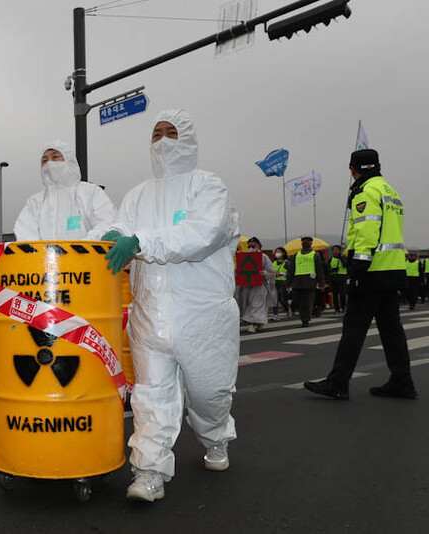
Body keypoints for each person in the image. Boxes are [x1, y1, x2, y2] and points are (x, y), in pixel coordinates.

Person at [101, 110, 240, 502]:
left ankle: (215, 437)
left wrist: (140, 242)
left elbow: (202, 233)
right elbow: (116, 232)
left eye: (171, 133)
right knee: (150, 399)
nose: (162, 141)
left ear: (189, 140)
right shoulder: (136, 195)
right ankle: (148, 472)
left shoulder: (209, 187)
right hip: (149, 317)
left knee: (209, 396)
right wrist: (102, 238)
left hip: (204, 319)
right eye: (156, 134)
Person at [304, 148, 417, 400]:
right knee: (391, 329)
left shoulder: (365, 191)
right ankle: (402, 381)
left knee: (353, 328)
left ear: (352, 170)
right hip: (392, 269)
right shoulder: (389, 190)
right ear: (378, 165)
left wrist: (357, 269)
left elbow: (366, 233)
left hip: (371, 271)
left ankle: (337, 383)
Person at [13, 140, 115, 241]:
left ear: (69, 160)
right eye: (44, 160)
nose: (49, 163)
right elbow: (25, 234)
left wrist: (80, 249)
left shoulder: (90, 192)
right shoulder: (35, 202)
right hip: (45, 257)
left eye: (55, 157)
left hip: (87, 256)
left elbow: (106, 224)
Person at [236, 237, 276, 333]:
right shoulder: (244, 257)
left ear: (259, 246)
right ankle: (258, 322)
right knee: (247, 304)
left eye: (253, 245)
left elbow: (271, 271)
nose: (251, 247)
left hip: (259, 286)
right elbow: (237, 269)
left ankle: (254, 324)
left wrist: (264, 273)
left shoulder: (264, 257)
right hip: (246, 287)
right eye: (249, 246)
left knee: (256, 304)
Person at [286, 236, 326, 327]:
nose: (305, 243)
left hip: (309, 282)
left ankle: (305, 319)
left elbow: (319, 270)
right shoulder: (296, 255)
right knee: (297, 302)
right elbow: (291, 270)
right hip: (297, 282)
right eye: (304, 241)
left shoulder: (315, 255)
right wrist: (288, 283)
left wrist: (321, 284)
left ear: (311, 243)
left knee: (307, 302)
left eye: (307, 241)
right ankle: (304, 315)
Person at [272, 246, 291, 319]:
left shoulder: (287, 263)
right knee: (274, 298)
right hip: (274, 282)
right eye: (276, 252)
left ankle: (287, 308)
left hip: (282, 282)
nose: (277, 253)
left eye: (279, 252)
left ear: (283, 253)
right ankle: (275, 314)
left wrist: (281, 273)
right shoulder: (274, 262)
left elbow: (290, 273)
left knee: (281, 298)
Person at [329, 245, 349, 314]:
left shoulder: (343, 258)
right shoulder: (330, 259)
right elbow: (327, 269)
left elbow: (346, 265)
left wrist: (340, 258)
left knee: (342, 293)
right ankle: (336, 308)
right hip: (334, 277)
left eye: (337, 249)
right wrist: (332, 270)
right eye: (334, 250)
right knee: (334, 294)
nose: (335, 251)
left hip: (342, 277)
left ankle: (343, 307)